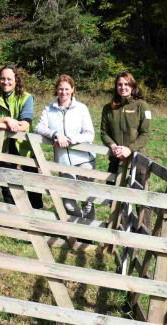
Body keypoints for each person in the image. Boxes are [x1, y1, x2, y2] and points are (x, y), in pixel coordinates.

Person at [0, 65, 41, 209]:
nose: (5, 82)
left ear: (16, 80)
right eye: (2, 78)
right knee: (6, 185)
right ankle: (12, 220)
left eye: (9, 79)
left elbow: (24, 125)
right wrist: (6, 119)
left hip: (26, 148)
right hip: (4, 147)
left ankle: (37, 220)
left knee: (33, 186)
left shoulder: (26, 98)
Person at [35, 75, 96, 219]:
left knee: (87, 200)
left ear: (73, 90)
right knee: (68, 202)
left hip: (84, 160)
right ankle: (75, 231)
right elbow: (38, 127)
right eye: (61, 89)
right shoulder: (49, 109)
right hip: (63, 161)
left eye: (67, 89)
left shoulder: (81, 108)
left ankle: (87, 234)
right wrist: (56, 134)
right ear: (56, 90)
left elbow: (89, 134)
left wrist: (70, 139)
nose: (64, 92)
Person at [100, 72, 151, 181]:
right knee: (111, 193)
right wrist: (113, 146)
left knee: (135, 195)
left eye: (126, 84)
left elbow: (145, 134)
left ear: (132, 85)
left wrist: (129, 149)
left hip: (137, 158)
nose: (123, 87)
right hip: (116, 158)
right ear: (116, 86)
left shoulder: (142, 106)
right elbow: (104, 133)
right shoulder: (108, 108)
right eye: (120, 84)